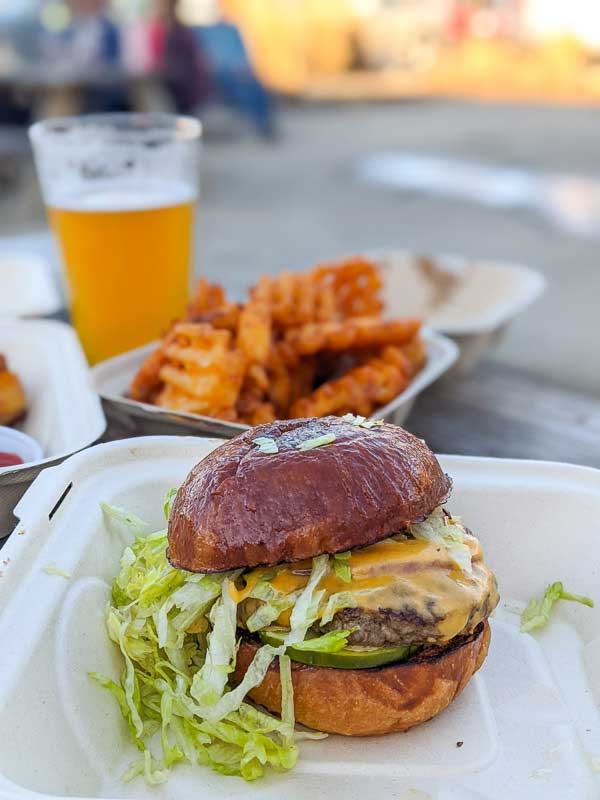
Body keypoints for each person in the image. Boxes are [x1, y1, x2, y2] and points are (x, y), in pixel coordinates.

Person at [149, 0, 210, 114]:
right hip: (175, 87)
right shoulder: (164, 29)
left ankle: (163, 124)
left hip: (187, 94)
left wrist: (160, 70)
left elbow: (183, 70)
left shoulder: (180, 32)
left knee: (149, 90)